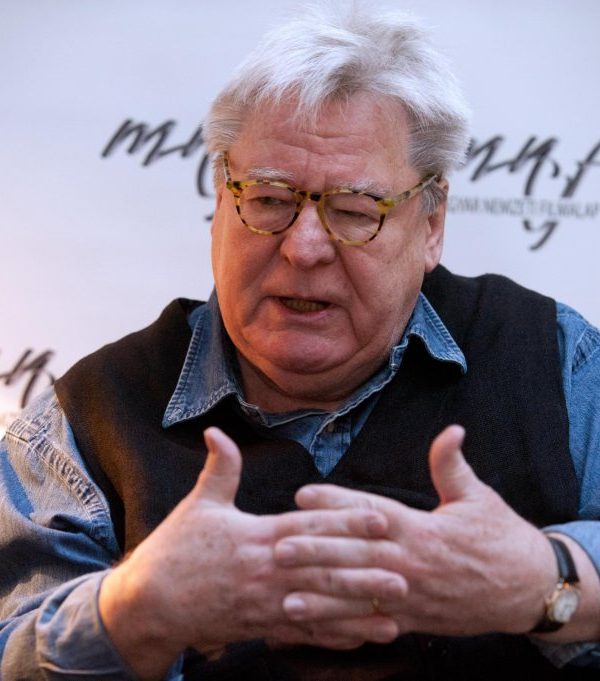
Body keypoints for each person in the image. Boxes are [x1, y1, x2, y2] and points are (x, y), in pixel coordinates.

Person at [1, 4, 599, 680]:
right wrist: (137, 612)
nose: (304, 247)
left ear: (432, 224)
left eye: (354, 211)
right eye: (268, 200)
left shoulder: (558, 362)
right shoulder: (85, 421)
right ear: (220, 202)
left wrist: (546, 582)